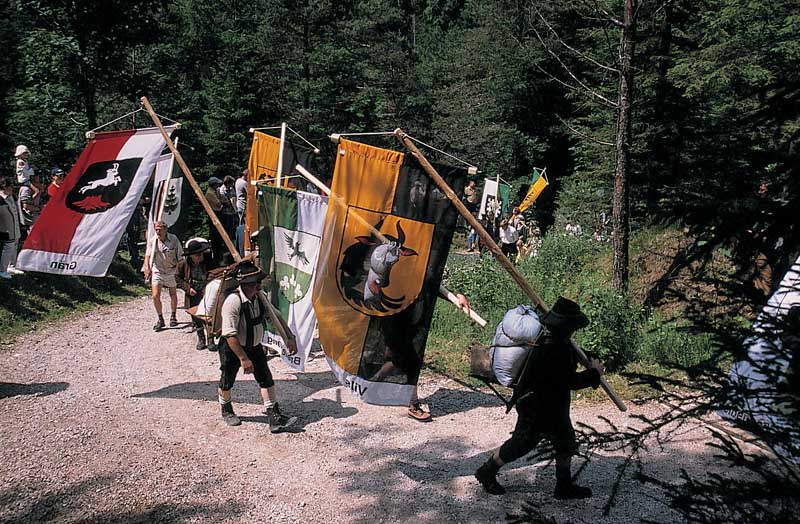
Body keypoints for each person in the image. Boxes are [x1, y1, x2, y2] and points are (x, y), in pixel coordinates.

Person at [475, 297, 604, 500]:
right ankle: (486, 471)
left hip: (551, 404)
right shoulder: (553, 347)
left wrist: (588, 356)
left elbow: (571, 356)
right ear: (568, 326)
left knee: (565, 441)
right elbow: (569, 381)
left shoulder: (555, 339)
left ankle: (563, 486)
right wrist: (594, 374)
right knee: (522, 442)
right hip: (535, 405)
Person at [217, 261, 297, 432]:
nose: (259, 286)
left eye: (259, 282)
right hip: (233, 348)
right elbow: (229, 334)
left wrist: (290, 337)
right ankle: (226, 408)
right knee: (227, 378)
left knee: (265, 378)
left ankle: (274, 416)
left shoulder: (260, 298)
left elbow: (276, 317)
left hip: (255, 346)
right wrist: (243, 359)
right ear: (245, 285)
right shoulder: (233, 301)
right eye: (255, 283)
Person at [176, 238, 215, 350]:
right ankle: (201, 339)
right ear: (191, 255)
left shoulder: (208, 261)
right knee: (196, 317)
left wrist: (208, 285)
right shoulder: (183, 264)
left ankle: (211, 339)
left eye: (201, 253)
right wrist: (188, 289)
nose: (200, 256)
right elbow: (177, 278)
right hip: (192, 292)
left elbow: (214, 273)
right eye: (197, 254)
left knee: (208, 315)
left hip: (205, 291)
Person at [144, 220, 183, 331]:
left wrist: (178, 271)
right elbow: (147, 255)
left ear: (165, 229)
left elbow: (180, 257)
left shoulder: (174, 240)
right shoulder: (153, 241)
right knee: (155, 295)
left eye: (160, 229)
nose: (158, 231)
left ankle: (173, 316)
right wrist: (147, 267)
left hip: (171, 270)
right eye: (156, 229)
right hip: (158, 270)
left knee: (173, 294)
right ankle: (160, 319)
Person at [0, 178, 21, 279]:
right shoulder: (1, 198)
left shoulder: (10, 197)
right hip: (5, 228)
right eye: (10, 186)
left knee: (14, 246)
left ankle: (11, 266)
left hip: (14, 227)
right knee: (7, 248)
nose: (12, 188)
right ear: (4, 187)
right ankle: (2, 270)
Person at [17, 172, 42, 244]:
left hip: (36, 217)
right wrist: (40, 209)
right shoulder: (26, 189)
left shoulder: (35, 187)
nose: (39, 177)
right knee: (34, 241)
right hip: (30, 219)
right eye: (37, 175)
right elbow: (26, 206)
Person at [205, 177, 225, 264]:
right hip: (214, 215)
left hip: (218, 214)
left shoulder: (214, 192)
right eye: (217, 184)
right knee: (215, 238)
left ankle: (219, 257)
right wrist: (222, 202)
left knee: (219, 238)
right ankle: (217, 259)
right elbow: (219, 203)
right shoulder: (210, 194)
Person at [218, 175, 238, 243]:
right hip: (225, 212)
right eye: (232, 183)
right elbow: (224, 201)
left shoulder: (231, 189)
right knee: (227, 228)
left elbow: (234, 196)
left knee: (232, 228)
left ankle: (231, 240)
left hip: (232, 211)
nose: (233, 185)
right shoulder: (222, 190)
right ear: (228, 183)